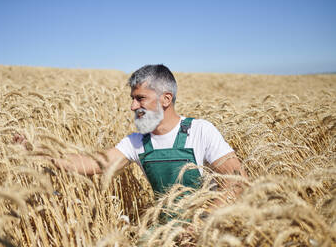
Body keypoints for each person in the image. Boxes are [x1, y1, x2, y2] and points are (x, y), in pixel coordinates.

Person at [15, 64, 247, 203]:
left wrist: (204, 220)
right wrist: (40, 155)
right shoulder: (137, 142)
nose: (133, 107)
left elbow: (237, 181)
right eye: (132, 99)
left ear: (166, 99)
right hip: (162, 233)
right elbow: (94, 164)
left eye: (140, 99)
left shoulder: (200, 130)